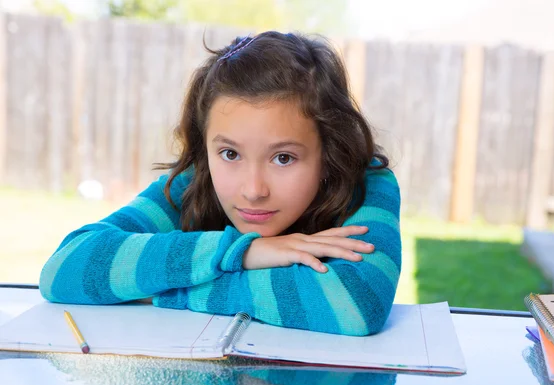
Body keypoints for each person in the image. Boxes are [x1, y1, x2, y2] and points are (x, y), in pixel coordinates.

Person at [39, 31, 401, 336]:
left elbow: (354, 303)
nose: (253, 190)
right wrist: (242, 251)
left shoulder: (368, 184)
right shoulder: (193, 185)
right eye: (230, 154)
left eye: (283, 158)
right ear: (205, 146)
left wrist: (167, 290)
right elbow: (64, 270)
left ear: (328, 151)